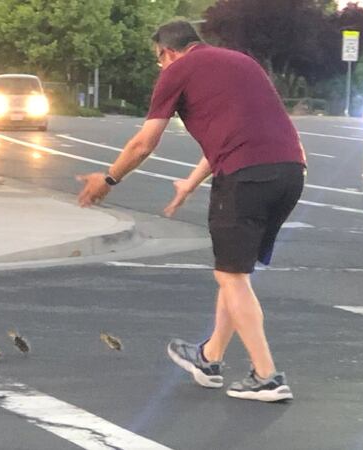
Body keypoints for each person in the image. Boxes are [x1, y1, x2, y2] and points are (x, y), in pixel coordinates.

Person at [76, 19, 306, 402]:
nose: (160, 67)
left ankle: (267, 376)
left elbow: (144, 143)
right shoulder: (241, 62)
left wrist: (109, 179)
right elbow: (240, 131)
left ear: (166, 51)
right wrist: (190, 182)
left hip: (245, 178)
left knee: (231, 277)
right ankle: (209, 356)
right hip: (289, 173)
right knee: (235, 271)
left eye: (158, 60)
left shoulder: (177, 71)